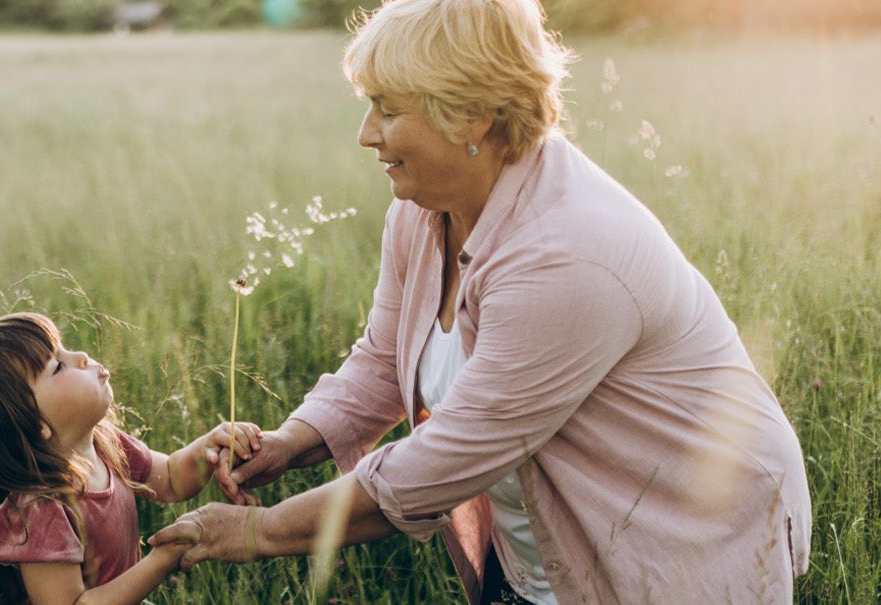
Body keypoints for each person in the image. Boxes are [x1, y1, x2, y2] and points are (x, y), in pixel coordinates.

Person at [147, 0, 812, 603]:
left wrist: (254, 531)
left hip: (669, 553)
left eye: (387, 107)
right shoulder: (421, 212)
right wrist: (289, 443)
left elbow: (439, 465)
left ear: (470, 112)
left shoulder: (565, 256)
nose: (366, 134)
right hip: (541, 556)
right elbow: (382, 361)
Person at [0, 312, 262, 605]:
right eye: (58, 365)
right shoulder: (40, 512)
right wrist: (161, 560)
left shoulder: (105, 446)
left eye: (65, 348)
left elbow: (172, 478)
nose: (82, 356)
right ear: (35, 423)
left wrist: (210, 448)